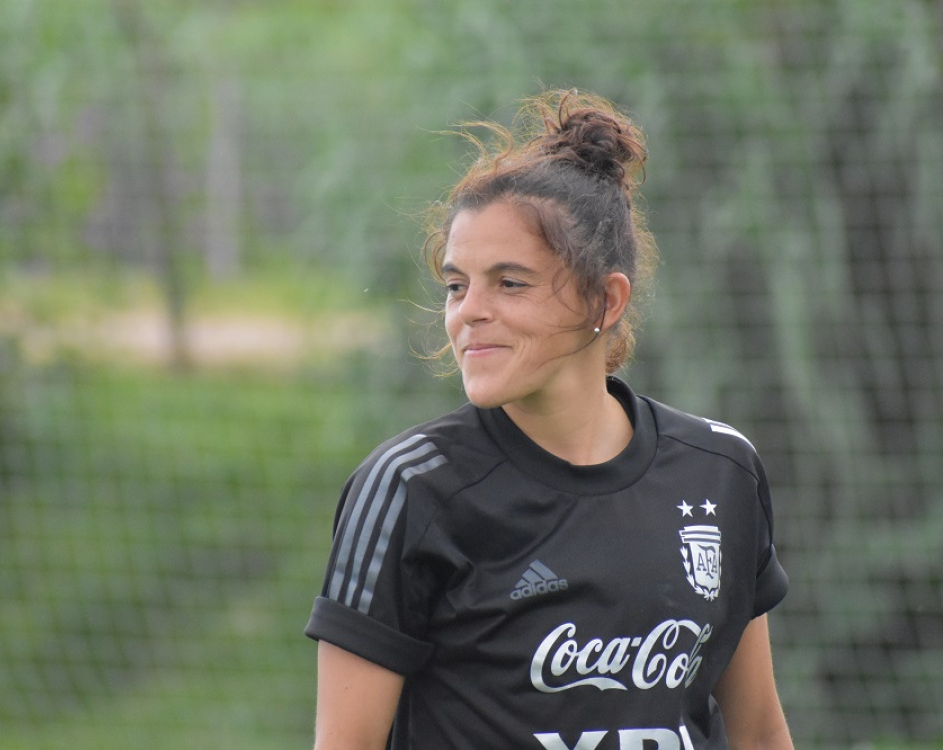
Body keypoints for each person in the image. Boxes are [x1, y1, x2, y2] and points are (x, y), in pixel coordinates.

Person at [305, 89, 793, 750]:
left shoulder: (720, 471)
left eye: (510, 283)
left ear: (606, 300)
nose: (468, 311)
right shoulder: (408, 488)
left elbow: (760, 732)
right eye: (456, 285)